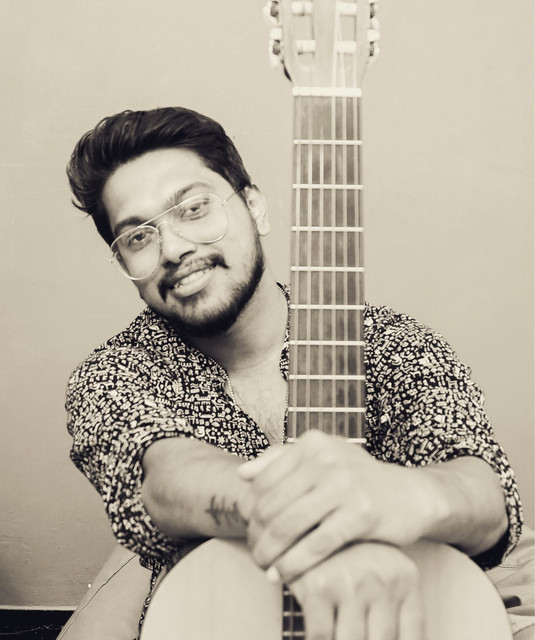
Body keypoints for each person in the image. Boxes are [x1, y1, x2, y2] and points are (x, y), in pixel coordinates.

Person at [64, 106, 522, 639]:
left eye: (194, 208)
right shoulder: (112, 373)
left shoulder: (394, 342)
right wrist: (311, 515)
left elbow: (486, 497)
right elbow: (161, 481)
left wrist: (396, 497)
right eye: (138, 237)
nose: (174, 249)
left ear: (255, 207)